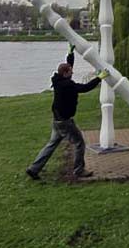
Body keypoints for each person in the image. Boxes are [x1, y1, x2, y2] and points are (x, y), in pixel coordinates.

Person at [26, 44, 108, 180]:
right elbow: (85, 87)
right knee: (79, 143)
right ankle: (79, 170)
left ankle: (33, 169)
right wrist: (100, 77)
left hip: (57, 120)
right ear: (65, 74)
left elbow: (68, 65)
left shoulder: (58, 80)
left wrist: (70, 54)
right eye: (70, 72)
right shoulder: (67, 85)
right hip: (65, 121)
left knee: (51, 144)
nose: (72, 72)